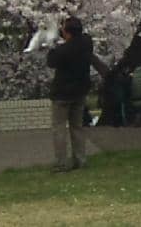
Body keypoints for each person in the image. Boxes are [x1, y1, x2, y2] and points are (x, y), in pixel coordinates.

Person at [45, 16, 93, 171]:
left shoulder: (63, 50)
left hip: (62, 94)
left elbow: (51, 62)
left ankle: (61, 162)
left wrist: (52, 45)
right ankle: (80, 159)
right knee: (77, 127)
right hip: (80, 91)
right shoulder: (86, 43)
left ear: (67, 32)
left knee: (59, 128)